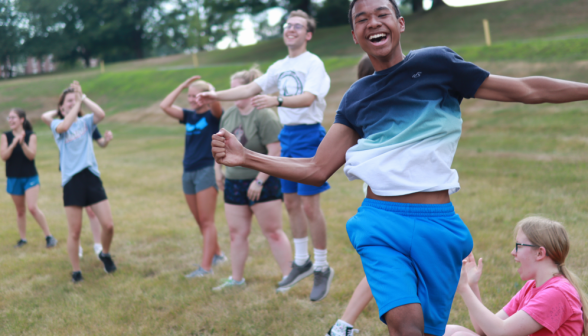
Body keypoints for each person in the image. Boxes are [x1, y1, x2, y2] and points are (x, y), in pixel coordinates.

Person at [208, 0, 588, 334]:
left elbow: (525, 89)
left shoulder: (437, 64)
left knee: (425, 330)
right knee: (405, 324)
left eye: (381, 13)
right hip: (381, 221)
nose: (372, 22)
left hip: (437, 224)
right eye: (361, 18)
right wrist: (248, 157)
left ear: (400, 23)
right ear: (355, 34)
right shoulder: (356, 96)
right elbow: (316, 168)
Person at [197, 9, 334, 302]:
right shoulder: (280, 65)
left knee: (311, 207)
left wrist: (277, 99)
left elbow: (309, 98)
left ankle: (322, 267)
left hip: (309, 135)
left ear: (308, 34)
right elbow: (248, 87)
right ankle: (301, 262)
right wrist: (214, 96)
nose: (291, 29)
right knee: (293, 205)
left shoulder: (313, 63)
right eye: (288, 25)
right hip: (289, 136)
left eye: (298, 26)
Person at [212, 67, 293, 291]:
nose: (233, 93)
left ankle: (288, 278)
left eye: (238, 89)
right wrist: (218, 171)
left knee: (273, 232)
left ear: (250, 90)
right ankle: (236, 280)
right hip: (234, 183)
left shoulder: (264, 115)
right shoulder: (228, 115)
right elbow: (220, 146)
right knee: (236, 233)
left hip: (263, 183)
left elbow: (275, 151)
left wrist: (259, 181)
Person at [446, 216, 586, 336]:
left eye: (519, 245)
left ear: (540, 253)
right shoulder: (531, 287)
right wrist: (471, 285)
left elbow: (500, 332)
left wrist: (463, 288)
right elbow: (485, 330)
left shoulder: (557, 293)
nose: (513, 252)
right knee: (449, 330)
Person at [41, 82, 117, 283]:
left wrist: (83, 97)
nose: (73, 103)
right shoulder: (57, 125)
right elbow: (64, 124)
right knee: (74, 231)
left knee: (108, 226)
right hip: (71, 181)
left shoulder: (86, 122)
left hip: (91, 176)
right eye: (68, 101)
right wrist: (70, 105)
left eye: (75, 101)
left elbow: (101, 114)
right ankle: (76, 272)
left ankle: (105, 254)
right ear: (62, 107)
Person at [326, 54, 375, 336]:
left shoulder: (360, 105)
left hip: (377, 197)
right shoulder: (369, 107)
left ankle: (343, 325)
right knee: (386, 267)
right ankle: (343, 325)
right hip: (388, 200)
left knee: (389, 268)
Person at [159, 76, 226, 278]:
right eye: (189, 96)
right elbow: (165, 105)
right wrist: (182, 85)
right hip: (188, 171)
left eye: (195, 96)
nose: (191, 99)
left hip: (206, 170)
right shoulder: (189, 116)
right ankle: (218, 255)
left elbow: (216, 106)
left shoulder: (214, 116)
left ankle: (205, 268)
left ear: (205, 97)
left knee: (207, 221)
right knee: (200, 221)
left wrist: (210, 93)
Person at [1, 108, 57, 248]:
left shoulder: (31, 136)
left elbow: (31, 155)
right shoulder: (5, 136)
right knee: (20, 211)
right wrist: (13, 144)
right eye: (10, 117)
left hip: (30, 177)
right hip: (13, 178)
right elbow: (4, 157)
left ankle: (49, 237)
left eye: (14, 117)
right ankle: (23, 239)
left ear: (22, 120)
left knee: (32, 207)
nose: (11, 120)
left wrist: (22, 143)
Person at [78, 128, 113, 258]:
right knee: (76, 213)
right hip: (70, 173)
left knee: (91, 211)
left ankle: (98, 244)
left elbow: (101, 143)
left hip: (87, 171)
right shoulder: (60, 124)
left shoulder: (86, 122)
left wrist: (106, 140)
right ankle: (77, 245)